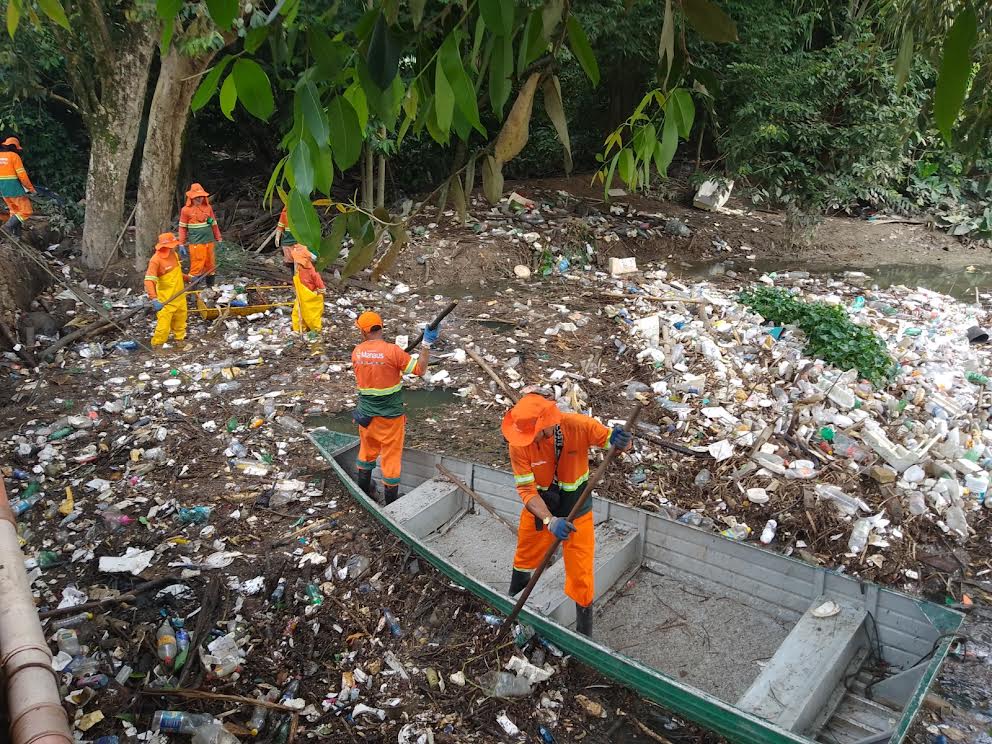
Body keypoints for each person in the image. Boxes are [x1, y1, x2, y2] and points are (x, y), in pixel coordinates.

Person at [502, 392, 633, 637]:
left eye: (533, 435)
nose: (527, 441)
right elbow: (526, 489)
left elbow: (614, 443)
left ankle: (584, 635)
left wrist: (623, 441)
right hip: (542, 508)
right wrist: (549, 521)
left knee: (581, 573)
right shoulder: (518, 444)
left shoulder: (578, 426)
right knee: (525, 555)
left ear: (546, 425)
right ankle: (513, 605)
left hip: (577, 510)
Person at [351, 311, 440, 504]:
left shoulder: (357, 352)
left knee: (366, 452)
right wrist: (426, 344)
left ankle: (364, 492)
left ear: (363, 332)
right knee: (390, 458)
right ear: (381, 327)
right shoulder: (392, 352)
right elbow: (420, 370)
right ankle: (392, 503)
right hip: (390, 417)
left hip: (365, 415)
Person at [144, 232, 190, 348]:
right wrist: (154, 299)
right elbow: (149, 280)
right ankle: (158, 345)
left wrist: (189, 278)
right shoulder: (156, 260)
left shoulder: (174, 254)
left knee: (181, 319)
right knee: (163, 325)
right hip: (166, 299)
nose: (174, 246)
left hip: (179, 296)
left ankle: (180, 339)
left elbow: (177, 273)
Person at [178, 183, 221, 287]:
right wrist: (181, 243)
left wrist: (218, 237)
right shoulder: (185, 210)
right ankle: (193, 291)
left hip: (209, 242)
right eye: (197, 197)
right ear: (191, 197)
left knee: (210, 265)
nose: (200, 199)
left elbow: (214, 223)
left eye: (201, 196)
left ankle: (210, 288)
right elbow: (182, 227)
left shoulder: (208, 208)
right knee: (197, 266)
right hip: (196, 243)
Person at [0, 137, 36, 235]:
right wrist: (30, 188)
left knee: (15, 210)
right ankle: (7, 227)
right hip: (13, 187)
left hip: (2, 189)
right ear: (14, 147)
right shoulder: (14, 156)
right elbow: (22, 175)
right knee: (26, 211)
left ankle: (16, 235)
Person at [290, 244, 325, 334]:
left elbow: (321, 286)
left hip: (310, 297)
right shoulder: (298, 269)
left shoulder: (313, 272)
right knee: (297, 312)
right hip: (301, 296)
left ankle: (315, 329)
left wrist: (317, 292)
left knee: (312, 315)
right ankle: (299, 328)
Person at [275, 206, 297, 279]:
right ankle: (293, 274)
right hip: (287, 240)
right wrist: (277, 238)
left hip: (298, 241)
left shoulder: (301, 213)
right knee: (290, 260)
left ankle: (297, 276)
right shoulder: (284, 214)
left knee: (298, 258)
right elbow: (280, 227)